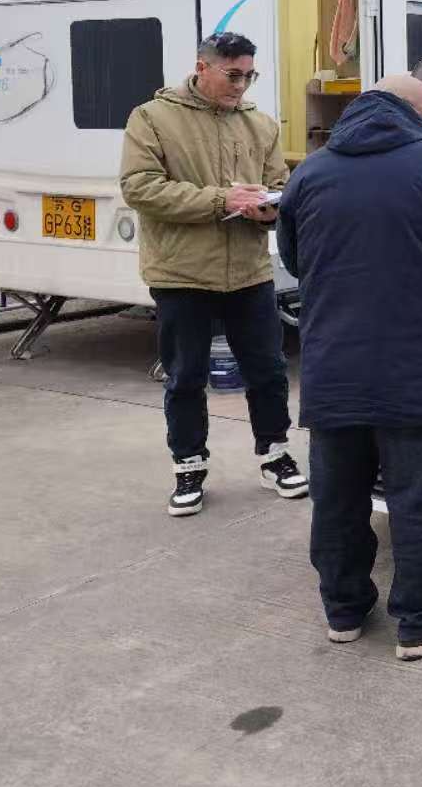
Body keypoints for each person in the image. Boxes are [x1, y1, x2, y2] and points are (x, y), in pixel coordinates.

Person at [277, 74, 422, 661]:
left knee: (338, 499)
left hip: (333, 367)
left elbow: (295, 259)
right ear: (420, 113)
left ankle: (344, 612)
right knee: (418, 501)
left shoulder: (310, 172)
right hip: (417, 368)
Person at [120, 32, 307, 517]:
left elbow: (278, 185)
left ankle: (275, 455)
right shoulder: (152, 117)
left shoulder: (260, 124)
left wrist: (269, 209)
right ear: (202, 67)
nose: (241, 85)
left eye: (249, 75)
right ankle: (189, 466)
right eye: (233, 75)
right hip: (181, 273)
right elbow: (139, 187)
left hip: (249, 271)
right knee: (186, 376)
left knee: (268, 371)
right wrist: (222, 200)